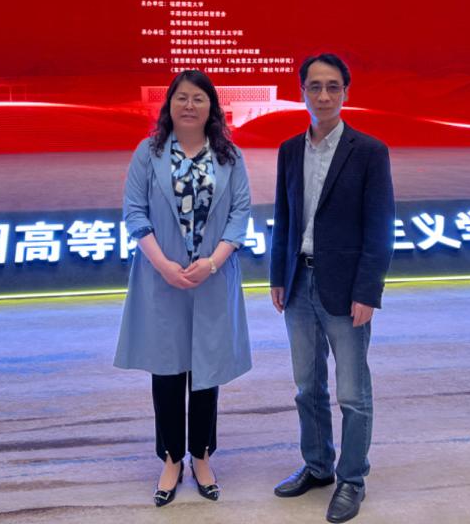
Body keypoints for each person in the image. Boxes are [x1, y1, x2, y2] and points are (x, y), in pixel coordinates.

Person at [114, 69, 252, 507]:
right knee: (168, 370)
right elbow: (135, 211)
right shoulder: (149, 152)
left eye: (198, 98)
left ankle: (202, 456)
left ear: (211, 107)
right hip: (162, 279)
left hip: (211, 278)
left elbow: (240, 214)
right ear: (169, 104)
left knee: (206, 370)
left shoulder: (229, 155)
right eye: (182, 97)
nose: (189, 105)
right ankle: (172, 458)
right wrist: (164, 266)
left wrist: (212, 262)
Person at [270, 53, 395, 524]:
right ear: (302, 91)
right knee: (307, 386)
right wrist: (278, 276)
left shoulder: (369, 151)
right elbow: (284, 217)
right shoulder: (289, 150)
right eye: (315, 87)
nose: (323, 96)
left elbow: (380, 227)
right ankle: (318, 465)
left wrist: (368, 291)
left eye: (332, 87)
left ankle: (352, 479)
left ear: (345, 92)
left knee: (352, 394)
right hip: (298, 282)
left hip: (346, 289)